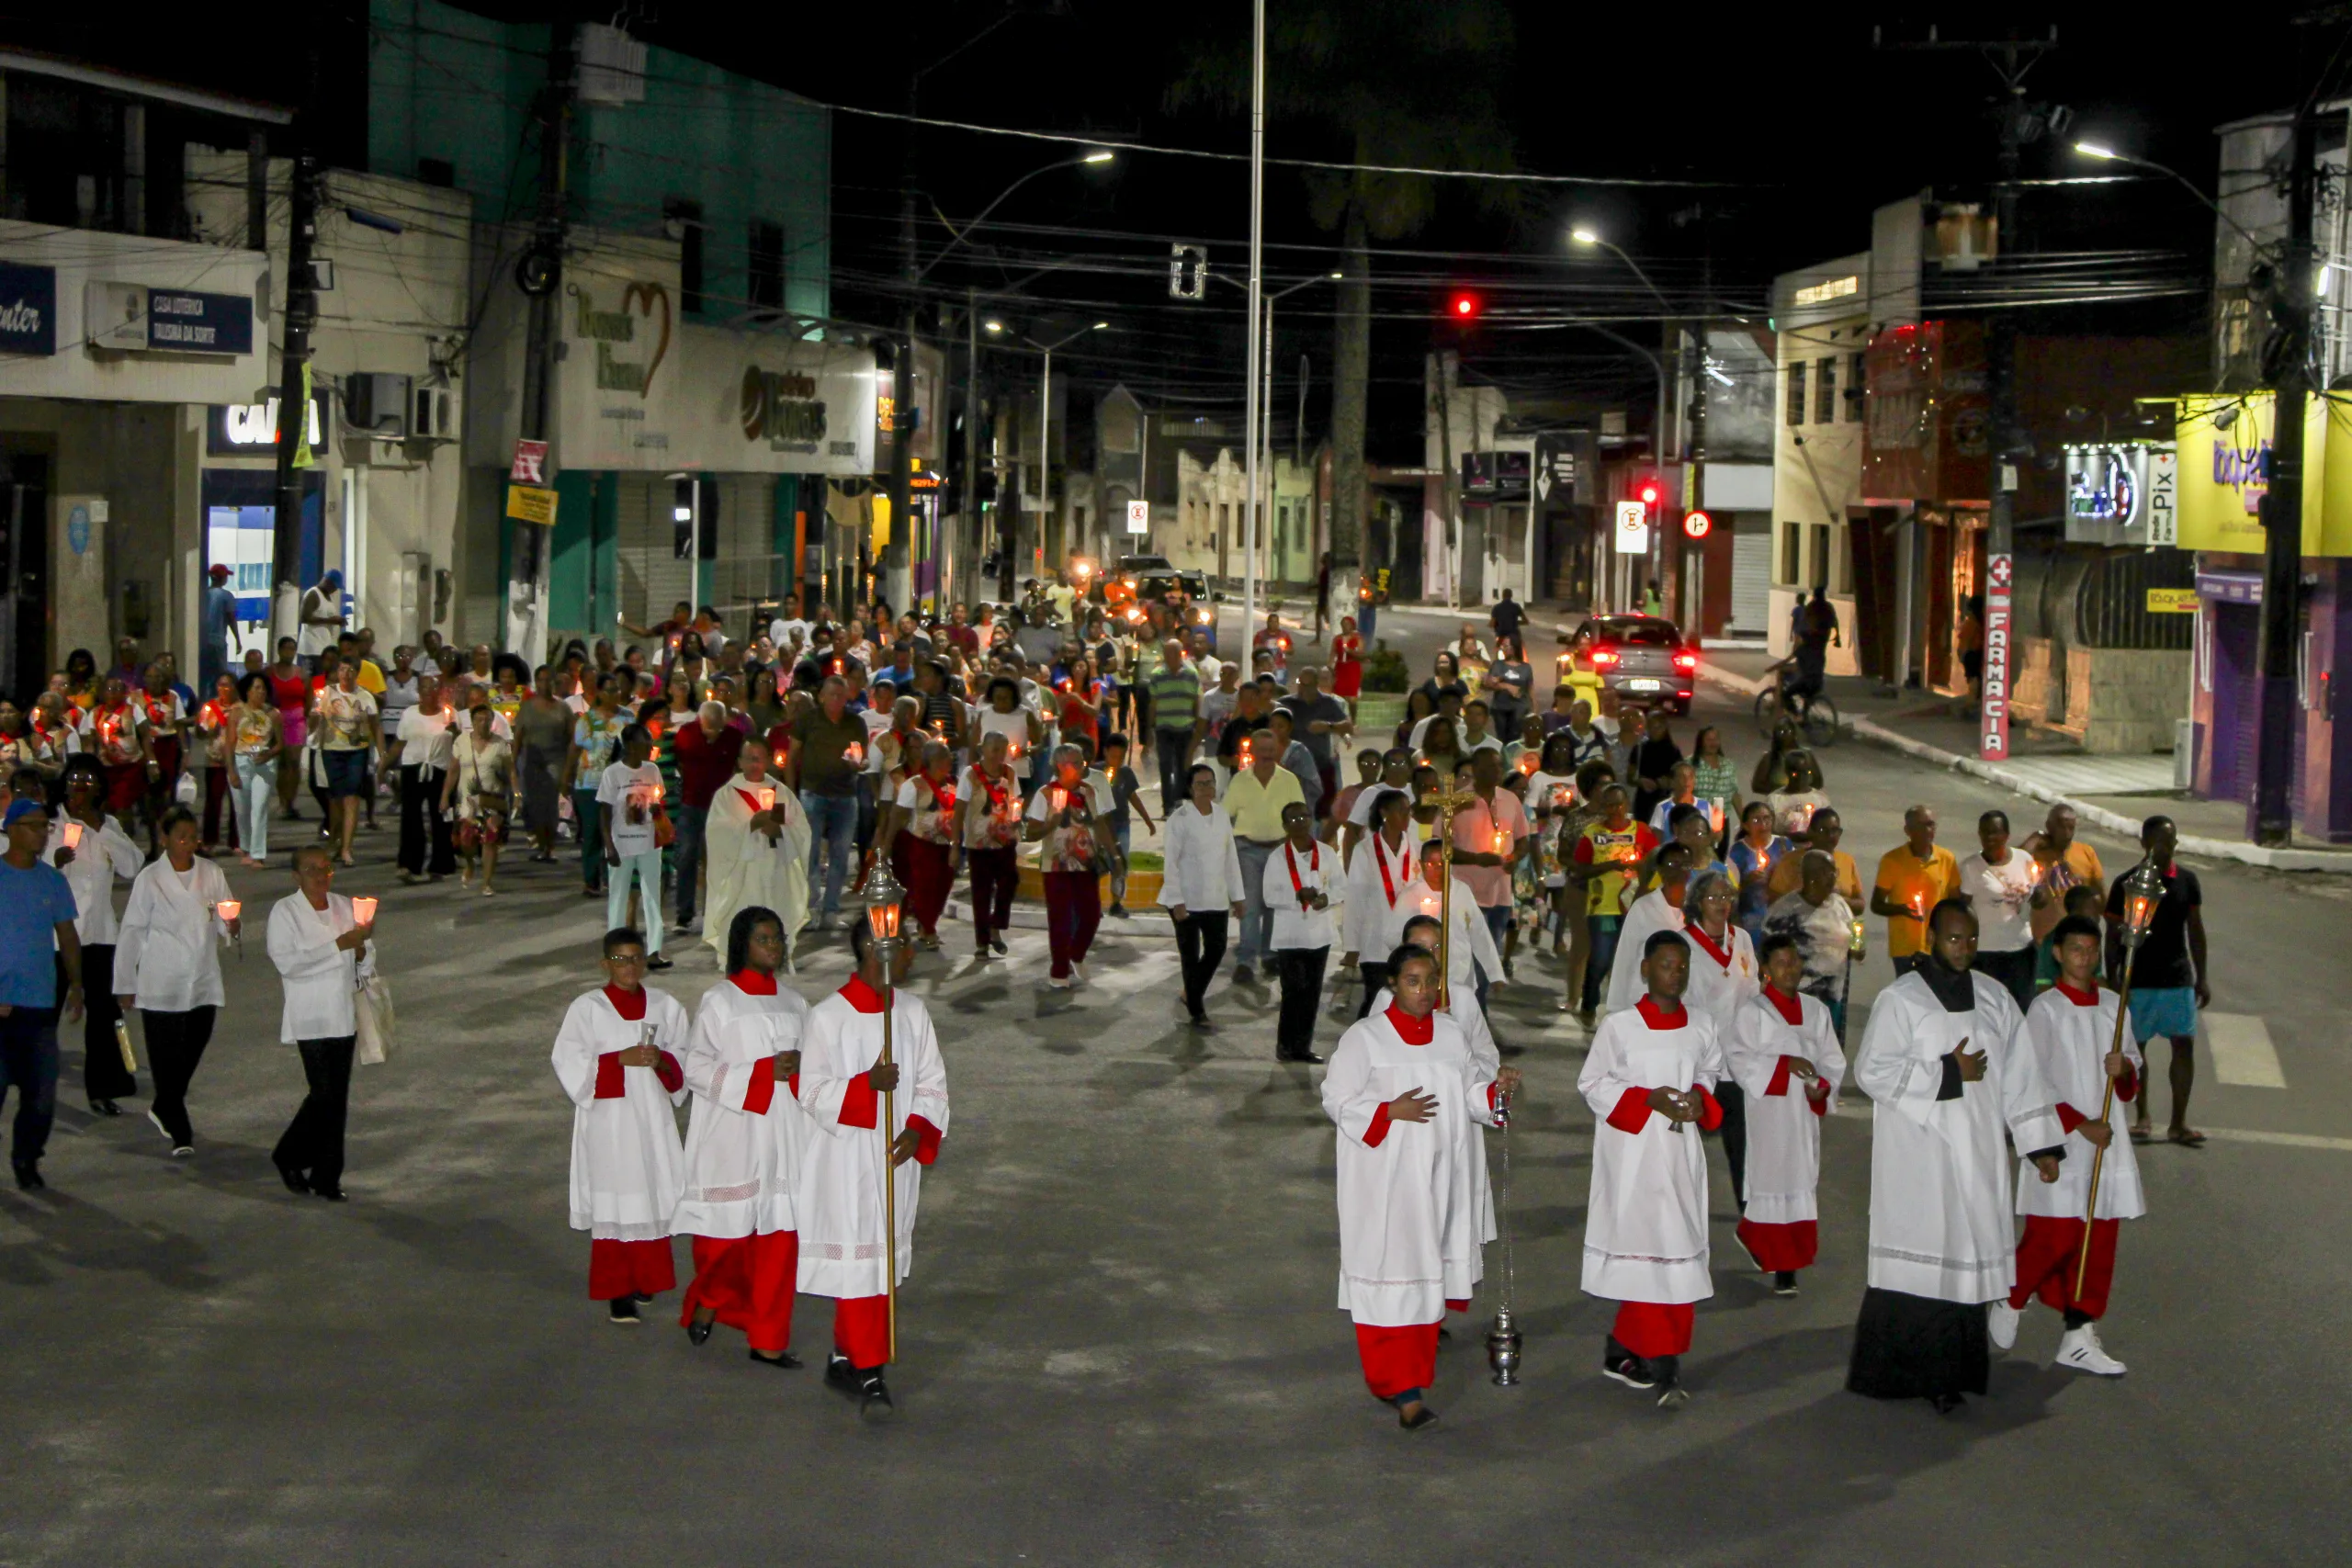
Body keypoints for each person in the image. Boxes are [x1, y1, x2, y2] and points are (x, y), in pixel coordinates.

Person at [1846, 898, 2067, 1414]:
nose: (1963, 948)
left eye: (1970, 939)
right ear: (1930, 939)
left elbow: (2021, 1074)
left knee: (1965, 1258)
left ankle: (1955, 1375)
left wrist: (2040, 1145)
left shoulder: (1994, 998)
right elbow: (1872, 1070)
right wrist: (1948, 1072)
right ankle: (1906, 1375)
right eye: (1952, 938)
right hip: (1919, 1155)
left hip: (1978, 1149)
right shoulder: (1902, 1000)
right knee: (1925, 1262)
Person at [1321, 945, 1515, 1431]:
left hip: (1439, 1178)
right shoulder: (1366, 1039)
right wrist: (1387, 1110)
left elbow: (1471, 1095)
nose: (1425, 991)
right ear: (1392, 984)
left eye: (1431, 981)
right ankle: (1399, 1388)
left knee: (1425, 1281)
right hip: (1384, 1182)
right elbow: (1336, 1099)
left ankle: (1410, 1382)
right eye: (1413, 981)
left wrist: (1496, 1093)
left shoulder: (1451, 1035)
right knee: (1388, 1277)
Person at [795, 918, 951, 1417]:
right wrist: (866, 1086)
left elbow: (932, 1081)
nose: (912, 954)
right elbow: (811, 1090)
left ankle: (844, 1355)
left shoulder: (911, 1012)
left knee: (875, 1263)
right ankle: (869, 1370)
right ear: (872, 950)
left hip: (893, 1155)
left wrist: (917, 1127)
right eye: (903, 946)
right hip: (846, 1159)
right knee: (863, 1264)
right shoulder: (828, 1017)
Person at [1991, 913, 2141, 1378]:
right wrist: (2079, 1124)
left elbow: (2131, 1077)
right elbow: (2034, 1080)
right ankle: (2011, 1294)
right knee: (2054, 1235)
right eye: (2076, 950)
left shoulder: (2115, 1005)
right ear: (2057, 953)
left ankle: (2078, 1333)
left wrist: (2125, 1069)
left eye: (2092, 951)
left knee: (2098, 1240)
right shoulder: (2046, 1009)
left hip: (2107, 1142)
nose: (2086, 959)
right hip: (2063, 1139)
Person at [1579, 929, 1723, 1405]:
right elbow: (1593, 1083)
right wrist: (1648, 1099)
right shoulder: (1619, 1027)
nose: (1675, 973)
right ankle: (1662, 1362)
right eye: (1665, 965)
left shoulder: (1702, 1023)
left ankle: (1631, 1347)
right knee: (1646, 1250)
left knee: (1677, 1245)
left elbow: (1709, 1071)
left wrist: (1700, 1101)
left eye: (1682, 966)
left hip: (1680, 1158)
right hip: (1635, 1158)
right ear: (1645, 969)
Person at [676, 907, 813, 1366]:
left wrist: (800, 1073)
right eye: (763, 939)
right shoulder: (721, 1001)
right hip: (733, 1132)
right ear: (742, 945)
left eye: (777, 939)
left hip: (783, 1132)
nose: (773, 947)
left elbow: (816, 1068)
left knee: (778, 1240)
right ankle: (711, 1296)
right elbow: (695, 1067)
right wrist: (761, 1073)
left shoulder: (796, 1004)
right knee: (725, 1240)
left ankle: (768, 1338)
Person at [551, 927, 689, 1325]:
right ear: (605, 963)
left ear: (645, 961)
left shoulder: (665, 1005)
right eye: (620, 959)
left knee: (650, 1194)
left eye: (635, 958)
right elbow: (568, 1060)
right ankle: (618, 1291)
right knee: (618, 1199)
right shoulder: (588, 1008)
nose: (629, 967)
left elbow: (684, 1054)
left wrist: (662, 1061)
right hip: (608, 1123)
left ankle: (647, 1279)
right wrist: (617, 1060)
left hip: (650, 1118)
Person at [114, 807, 236, 1158]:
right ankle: (179, 1127)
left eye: (192, 836)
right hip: (161, 979)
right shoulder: (150, 879)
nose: (188, 843)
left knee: (192, 1048)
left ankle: (165, 1103)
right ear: (164, 839)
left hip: (201, 977)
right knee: (166, 1056)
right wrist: (125, 981)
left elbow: (224, 916)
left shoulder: (211, 872)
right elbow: (133, 931)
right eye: (180, 837)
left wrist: (231, 926)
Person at [1727, 934, 1843, 1295]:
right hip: (1769, 1113)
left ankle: (1787, 1261)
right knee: (1770, 1182)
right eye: (1780, 962)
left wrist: (1820, 1087)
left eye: (1794, 961)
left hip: (1802, 1114)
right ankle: (1779, 1264)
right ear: (1765, 970)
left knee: (1800, 1181)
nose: (1789, 969)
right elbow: (1739, 1059)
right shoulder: (1752, 1013)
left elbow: (1831, 1060)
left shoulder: (1816, 1011)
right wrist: (1783, 1065)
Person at [266, 846, 376, 1201]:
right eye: (311, 869)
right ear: (296, 876)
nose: (320, 875)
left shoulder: (345, 906)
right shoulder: (285, 912)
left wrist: (361, 952)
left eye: (325, 868)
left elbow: (367, 956)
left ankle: (327, 1176)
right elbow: (289, 964)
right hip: (310, 1016)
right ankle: (289, 1155)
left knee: (335, 1098)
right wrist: (339, 946)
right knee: (324, 1095)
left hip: (342, 1015)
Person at [46, 759, 142, 1116]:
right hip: (58, 936)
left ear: (99, 788)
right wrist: (52, 860)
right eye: (74, 780)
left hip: (100, 934)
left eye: (88, 781)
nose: (81, 788)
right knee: (44, 1014)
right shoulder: (50, 824)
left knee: (104, 1015)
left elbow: (133, 866)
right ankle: (33, 1084)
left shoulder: (109, 824)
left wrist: (98, 828)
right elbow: (30, 870)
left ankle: (103, 1087)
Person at [0, 797, 86, 1189]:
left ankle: (27, 1158)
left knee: (40, 1095)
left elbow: (67, 936)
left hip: (37, 1005)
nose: (41, 833)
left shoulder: (52, 880)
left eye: (45, 826)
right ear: (12, 830)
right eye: (34, 826)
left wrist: (76, 985)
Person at [2108, 816, 2208, 1147]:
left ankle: (2178, 1122)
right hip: (2138, 982)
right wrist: (2112, 977)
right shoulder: (2126, 883)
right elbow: (2113, 936)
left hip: (2177, 978)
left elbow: (2195, 931)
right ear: (2144, 843)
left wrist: (2201, 977)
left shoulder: (2187, 882)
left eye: (2172, 840)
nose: (2169, 847)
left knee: (2184, 1046)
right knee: (2138, 1052)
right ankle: (2143, 1116)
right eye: (2161, 841)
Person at [1679, 869, 1759, 1209]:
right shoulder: (1682, 943)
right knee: (1685, 1140)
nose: (1722, 904)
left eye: (1727, 897)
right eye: (1714, 897)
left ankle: (1750, 1213)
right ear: (1697, 903)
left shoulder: (1740, 938)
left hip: (1738, 1059)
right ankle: (1678, 1205)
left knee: (1742, 1142)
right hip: (1699, 1060)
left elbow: (1753, 988)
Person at [700, 739, 813, 971]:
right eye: (749, 758)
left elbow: (801, 830)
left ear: (769, 761)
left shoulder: (781, 792)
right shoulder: (726, 795)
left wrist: (781, 831)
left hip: (774, 869)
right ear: (740, 762)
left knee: (775, 914)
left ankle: (776, 960)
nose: (755, 763)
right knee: (743, 918)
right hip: (743, 873)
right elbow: (717, 833)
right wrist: (750, 826)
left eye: (760, 758)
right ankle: (740, 964)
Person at [1159, 763, 1247, 1030]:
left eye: (1210, 783)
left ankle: (1190, 993)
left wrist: (1237, 896)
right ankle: (1197, 1011)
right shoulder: (1180, 819)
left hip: (1216, 897)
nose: (1207, 788)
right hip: (1186, 898)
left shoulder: (1220, 816)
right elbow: (1170, 863)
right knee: (1190, 954)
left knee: (1216, 949)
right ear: (1190, 788)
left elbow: (1230, 857)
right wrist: (1177, 901)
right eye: (1200, 784)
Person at [1380, 837, 1506, 1019]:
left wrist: (1495, 973)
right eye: (1431, 863)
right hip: (1427, 982)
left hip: (1461, 977)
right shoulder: (1410, 896)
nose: (1438, 869)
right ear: (1422, 865)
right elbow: (1392, 938)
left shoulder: (1462, 891)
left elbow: (1480, 934)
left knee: (1465, 1026)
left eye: (1442, 863)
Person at [1566, 784, 1659, 1022]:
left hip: (1636, 906)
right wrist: (1611, 865)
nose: (1615, 810)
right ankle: (1589, 1003)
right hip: (1603, 908)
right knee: (1601, 957)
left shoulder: (1641, 831)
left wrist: (1641, 866)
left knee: (1632, 960)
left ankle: (1625, 1010)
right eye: (1609, 805)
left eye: (1619, 804)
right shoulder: (1592, 833)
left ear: (1627, 805)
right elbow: (1579, 870)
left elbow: (1656, 864)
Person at [1026, 746, 1114, 989]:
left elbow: (1099, 824)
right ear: (1057, 766)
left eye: (1080, 762)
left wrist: (1114, 852)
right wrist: (1051, 823)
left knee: (1091, 915)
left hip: (1086, 863)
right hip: (1056, 865)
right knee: (1060, 920)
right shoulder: (1045, 794)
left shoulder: (1089, 792)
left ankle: (1076, 954)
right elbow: (1030, 832)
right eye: (1071, 763)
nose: (1077, 767)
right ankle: (1059, 971)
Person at [1224, 728, 1306, 987]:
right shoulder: (1239, 780)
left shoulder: (1289, 780)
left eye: (1272, 750)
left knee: (1274, 905)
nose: (1267, 755)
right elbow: (1226, 815)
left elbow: (1300, 814)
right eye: (1263, 750)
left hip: (1279, 850)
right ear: (1253, 752)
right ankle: (1246, 961)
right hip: (1247, 848)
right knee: (1249, 906)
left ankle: (1270, 955)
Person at [789, 677, 871, 931]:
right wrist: (792, 792)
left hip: (845, 795)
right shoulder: (808, 721)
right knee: (810, 853)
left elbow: (862, 757)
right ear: (822, 696)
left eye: (841, 695)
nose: (837, 700)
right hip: (813, 793)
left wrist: (858, 765)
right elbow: (792, 756)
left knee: (840, 854)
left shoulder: (855, 723)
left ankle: (831, 910)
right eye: (832, 695)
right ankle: (811, 908)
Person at [1263, 800, 1336, 1065]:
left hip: (1319, 935)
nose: (1300, 823)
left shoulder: (1326, 853)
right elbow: (1269, 896)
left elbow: (1341, 885)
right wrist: (1297, 895)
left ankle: (1303, 1046)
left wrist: (1328, 898)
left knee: (1312, 992)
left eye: (1304, 817)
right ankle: (1285, 1045)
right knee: (1293, 989)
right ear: (1284, 826)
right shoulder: (1277, 857)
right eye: (1293, 819)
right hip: (1290, 935)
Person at [1762, 849, 1861, 1041]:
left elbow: (1856, 938)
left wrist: (1858, 946)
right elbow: (1767, 955)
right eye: (1830, 871)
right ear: (1812, 876)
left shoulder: (1840, 905)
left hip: (1833, 994)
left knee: (1829, 1049)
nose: (1835, 876)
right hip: (1799, 996)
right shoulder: (1784, 912)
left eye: (1834, 871)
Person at [1340, 788, 1418, 1019]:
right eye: (1401, 811)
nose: (1407, 816)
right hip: (1374, 938)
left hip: (1406, 939)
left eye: (1409, 811)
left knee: (1401, 1002)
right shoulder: (1364, 850)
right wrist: (1352, 947)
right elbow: (1355, 900)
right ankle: (1360, 1046)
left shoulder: (1414, 848)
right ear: (1384, 813)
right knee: (1375, 999)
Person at [599, 724, 671, 970]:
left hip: (649, 842)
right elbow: (605, 812)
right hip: (622, 844)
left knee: (652, 896)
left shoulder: (652, 770)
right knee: (618, 898)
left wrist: (656, 809)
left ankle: (654, 951)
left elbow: (659, 800)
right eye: (645, 742)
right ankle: (615, 953)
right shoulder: (613, 773)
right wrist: (609, 846)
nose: (651, 747)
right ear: (630, 746)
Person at [673, 700, 748, 933]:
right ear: (700, 720)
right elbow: (677, 760)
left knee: (719, 860)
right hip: (691, 804)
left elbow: (741, 765)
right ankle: (684, 914)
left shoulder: (734, 737)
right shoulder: (686, 734)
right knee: (686, 856)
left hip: (722, 807)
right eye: (709, 726)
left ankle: (717, 912)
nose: (713, 732)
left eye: (718, 726)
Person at [1451, 748, 1529, 966]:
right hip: (1466, 893)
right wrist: (1477, 859)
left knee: (1489, 958)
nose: (1496, 771)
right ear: (1476, 770)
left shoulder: (1510, 799)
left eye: (1498, 766)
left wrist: (1515, 857)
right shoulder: (1457, 801)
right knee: (1468, 960)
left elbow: (1524, 839)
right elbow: (1440, 847)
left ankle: (1478, 1000)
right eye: (1489, 767)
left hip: (1500, 894)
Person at [1604, 841, 1696, 1017]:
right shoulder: (1644, 907)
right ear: (1660, 870)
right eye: (1672, 864)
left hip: (1682, 1004)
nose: (1679, 870)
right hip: (1642, 998)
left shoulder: (1696, 909)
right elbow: (1625, 956)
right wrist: (1616, 1008)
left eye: (1685, 864)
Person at [1961, 808, 2038, 1009]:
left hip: (2021, 951)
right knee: (1989, 1010)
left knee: (2020, 1009)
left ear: (2006, 835)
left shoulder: (2024, 859)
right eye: (1984, 832)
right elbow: (1962, 909)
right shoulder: (1971, 867)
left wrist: (2040, 895)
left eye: (1995, 832)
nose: (1989, 837)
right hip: (1986, 954)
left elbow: (2038, 896)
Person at [1871, 805, 1961, 976]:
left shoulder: (1946, 859)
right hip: (1905, 949)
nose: (1928, 830)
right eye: (1921, 826)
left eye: (1931, 824)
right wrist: (1902, 910)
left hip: (1938, 947)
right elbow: (1877, 905)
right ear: (1908, 830)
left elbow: (1955, 903)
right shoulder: (1892, 861)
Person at [881, 742, 956, 948]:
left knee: (943, 886)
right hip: (921, 844)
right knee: (924, 886)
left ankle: (927, 924)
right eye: (945, 757)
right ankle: (928, 928)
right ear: (933, 761)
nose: (950, 761)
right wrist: (886, 845)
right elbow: (897, 816)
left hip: (946, 844)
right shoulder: (914, 785)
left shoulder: (953, 783)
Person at [956, 732, 1023, 960]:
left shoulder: (1009, 773)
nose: (998, 755)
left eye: (1002, 750)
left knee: (1010, 880)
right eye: (994, 749)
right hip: (978, 842)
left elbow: (1016, 802)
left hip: (1005, 839)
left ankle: (996, 924)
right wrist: (955, 844)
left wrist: (1016, 818)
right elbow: (959, 809)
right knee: (981, 892)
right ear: (982, 749)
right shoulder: (971, 774)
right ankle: (982, 942)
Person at [311, 656, 379, 868]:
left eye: (351, 670)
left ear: (357, 673)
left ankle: (346, 848)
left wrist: (382, 753)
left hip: (356, 750)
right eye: (342, 669)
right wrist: (317, 712)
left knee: (351, 798)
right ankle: (334, 839)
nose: (346, 674)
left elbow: (375, 725)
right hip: (332, 749)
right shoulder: (327, 693)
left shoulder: (365, 696)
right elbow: (312, 722)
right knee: (335, 799)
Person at [445, 704, 515, 897]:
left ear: (492, 722)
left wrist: (516, 794)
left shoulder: (500, 744)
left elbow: (511, 770)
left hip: (493, 798)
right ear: (473, 722)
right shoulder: (461, 741)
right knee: (467, 841)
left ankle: (487, 882)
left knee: (490, 840)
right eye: (479, 720)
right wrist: (445, 796)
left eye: (487, 720)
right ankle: (470, 863)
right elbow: (453, 771)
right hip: (467, 800)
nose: (483, 724)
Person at [394, 676, 458, 885]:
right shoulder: (409, 714)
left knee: (440, 818)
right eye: (425, 688)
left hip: (439, 769)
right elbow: (400, 742)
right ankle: (409, 864)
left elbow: (460, 744)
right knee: (411, 817)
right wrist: (384, 764)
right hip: (413, 768)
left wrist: (455, 732)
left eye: (433, 688)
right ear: (419, 691)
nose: (429, 692)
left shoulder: (449, 714)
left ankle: (441, 864)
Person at [515, 668, 574, 866]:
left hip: (555, 759)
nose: (544, 684)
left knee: (549, 804)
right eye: (540, 680)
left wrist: (569, 768)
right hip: (532, 760)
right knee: (533, 804)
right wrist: (511, 764)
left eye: (548, 680)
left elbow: (572, 737)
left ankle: (549, 847)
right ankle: (541, 843)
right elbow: (518, 737)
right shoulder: (527, 707)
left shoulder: (562, 708)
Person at [2023, 803, 2105, 943]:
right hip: (2045, 938)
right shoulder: (2037, 852)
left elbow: (2100, 894)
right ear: (2049, 826)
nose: (2067, 834)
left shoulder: (2086, 852)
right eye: (2061, 827)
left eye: (2071, 828)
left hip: (2079, 937)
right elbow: (2011, 864)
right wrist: (2032, 841)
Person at [1099, 734, 1151, 918]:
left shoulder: (1126, 774)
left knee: (1121, 862)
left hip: (1121, 825)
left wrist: (1148, 820)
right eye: (1113, 756)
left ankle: (1116, 902)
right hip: (1101, 827)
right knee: (1099, 862)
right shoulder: (1096, 772)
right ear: (1105, 752)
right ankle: (1093, 903)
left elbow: (1133, 797)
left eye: (1121, 757)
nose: (1116, 761)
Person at [1147, 639, 1202, 807]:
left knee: (1183, 765)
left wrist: (1198, 725)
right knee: (1165, 765)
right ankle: (1168, 805)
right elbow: (1153, 703)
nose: (1169, 657)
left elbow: (1196, 700)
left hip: (1185, 726)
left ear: (1180, 654)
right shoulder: (1157, 675)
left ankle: (1180, 800)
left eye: (1173, 653)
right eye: (1167, 653)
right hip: (1164, 727)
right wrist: (1150, 728)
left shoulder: (1191, 674)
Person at [1727, 803, 1791, 943]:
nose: (1763, 825)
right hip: (1751, 918)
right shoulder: (1738, 851)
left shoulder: (1783, 844)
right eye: (1756, 820)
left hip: (1780, 914)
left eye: (1767, 819)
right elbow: (1730, 889)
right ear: (1745, 825)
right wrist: (1746, 882)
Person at [1625, 709, 1682, 824]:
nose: (1655, 731)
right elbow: (1630, 777)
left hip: (1665, 802)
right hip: (1643, 803)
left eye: (1658, 727)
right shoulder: (1640, 749)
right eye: (1651, 727)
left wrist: (1668, 783)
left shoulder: (1673, 751)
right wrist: (1640, 781)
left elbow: (1680, 777)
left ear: (1665, 727)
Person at [200, 563, 240, 696]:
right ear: (222, 578)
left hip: (202, 642)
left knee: (205, 677)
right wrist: (238, 640)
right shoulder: (226, 596)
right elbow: (231, 619)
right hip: (218, 642)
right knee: (220, 676)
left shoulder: (203, 594)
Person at [297, 570, 345, 671]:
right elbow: (304, 617)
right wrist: (330, 621)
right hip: (312, 649)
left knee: (321, 681)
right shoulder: (313, 594)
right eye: (334, 586)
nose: (335, 590)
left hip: (323, 648)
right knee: (315, 681)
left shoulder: (327, 597)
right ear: (327, 582)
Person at [1330, 616, 1363, 712]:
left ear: (1352, 626)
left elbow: (1361, 655)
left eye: (1347, 625)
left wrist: (1350, 651)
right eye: (1343, 625)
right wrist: (1329, 669)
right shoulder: (1337, 638)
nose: (1345, 627)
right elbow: (1332, 654)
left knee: (1352, 698)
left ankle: (1353, 721)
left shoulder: (1357, 638)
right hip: (1340, 668)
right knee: (1338, 696)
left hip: (1353, 668)